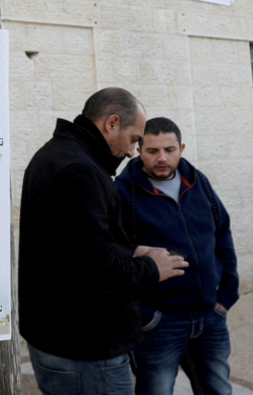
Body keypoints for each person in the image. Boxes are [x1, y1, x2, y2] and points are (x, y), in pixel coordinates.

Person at [18, 87, 189, 394]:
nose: (131, 152)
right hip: (84, 349)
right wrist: (152, 268)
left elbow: (73, 249)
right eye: (135, 139)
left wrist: (132, 250)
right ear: (111, 124)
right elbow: (98, 273)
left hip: (61, 340)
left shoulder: (61, 154)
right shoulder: (79, 170)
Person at [115, 117, 238, 395]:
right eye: (152, 150)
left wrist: (227, 295)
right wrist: (145, 316)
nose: (162, 158)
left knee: (218, 390)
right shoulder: (123, 193)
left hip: (210, 316)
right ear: (139, 150)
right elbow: (114, 256)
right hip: (159, 323)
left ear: (181, 148)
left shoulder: (198, 182)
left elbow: (222, 234)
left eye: (169, 150)